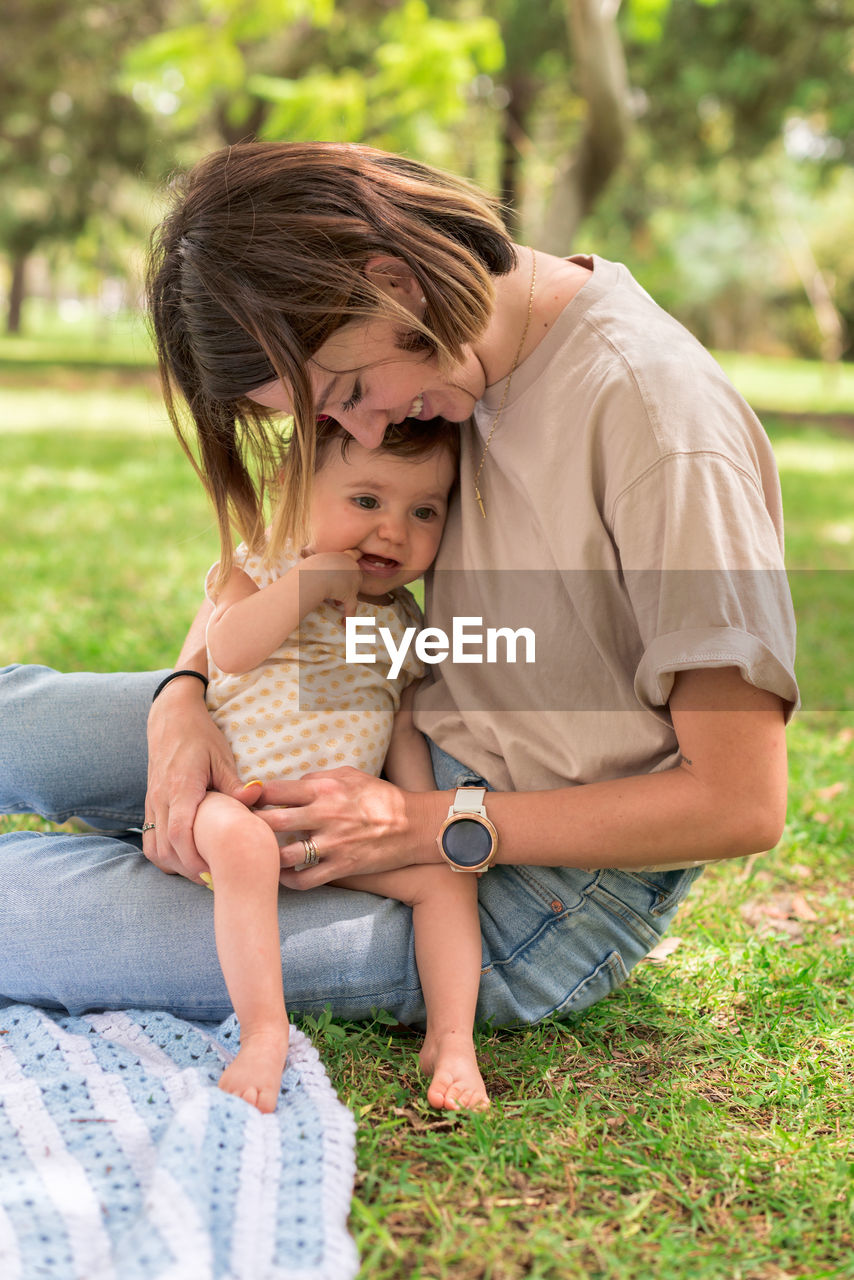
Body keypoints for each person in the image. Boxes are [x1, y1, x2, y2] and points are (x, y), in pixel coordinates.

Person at [0, 141, 797, 1054]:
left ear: (394, 281)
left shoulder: (659, 422)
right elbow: (284, 558)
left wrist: (421, 822)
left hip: (526, 893)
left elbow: (742, 802)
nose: (369, 429)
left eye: (346, 394)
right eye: (329, 421)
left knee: (17, 909)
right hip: (367, 723)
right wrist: (180, 693)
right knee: (15, 719)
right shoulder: (439, 361)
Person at [194, 415, 489, 1112]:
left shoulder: (402, 626)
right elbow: (229, 650)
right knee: (238, 843)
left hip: (332, 836)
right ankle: (264, 1031)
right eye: (366, 502)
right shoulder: (256, 570)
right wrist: (309, 581)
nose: (394, 531)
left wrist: (424, 822)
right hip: (243, 806)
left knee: (447, 883)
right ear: (293, 492)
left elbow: (401, 733)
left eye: (424, 511)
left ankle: (453, 1041)